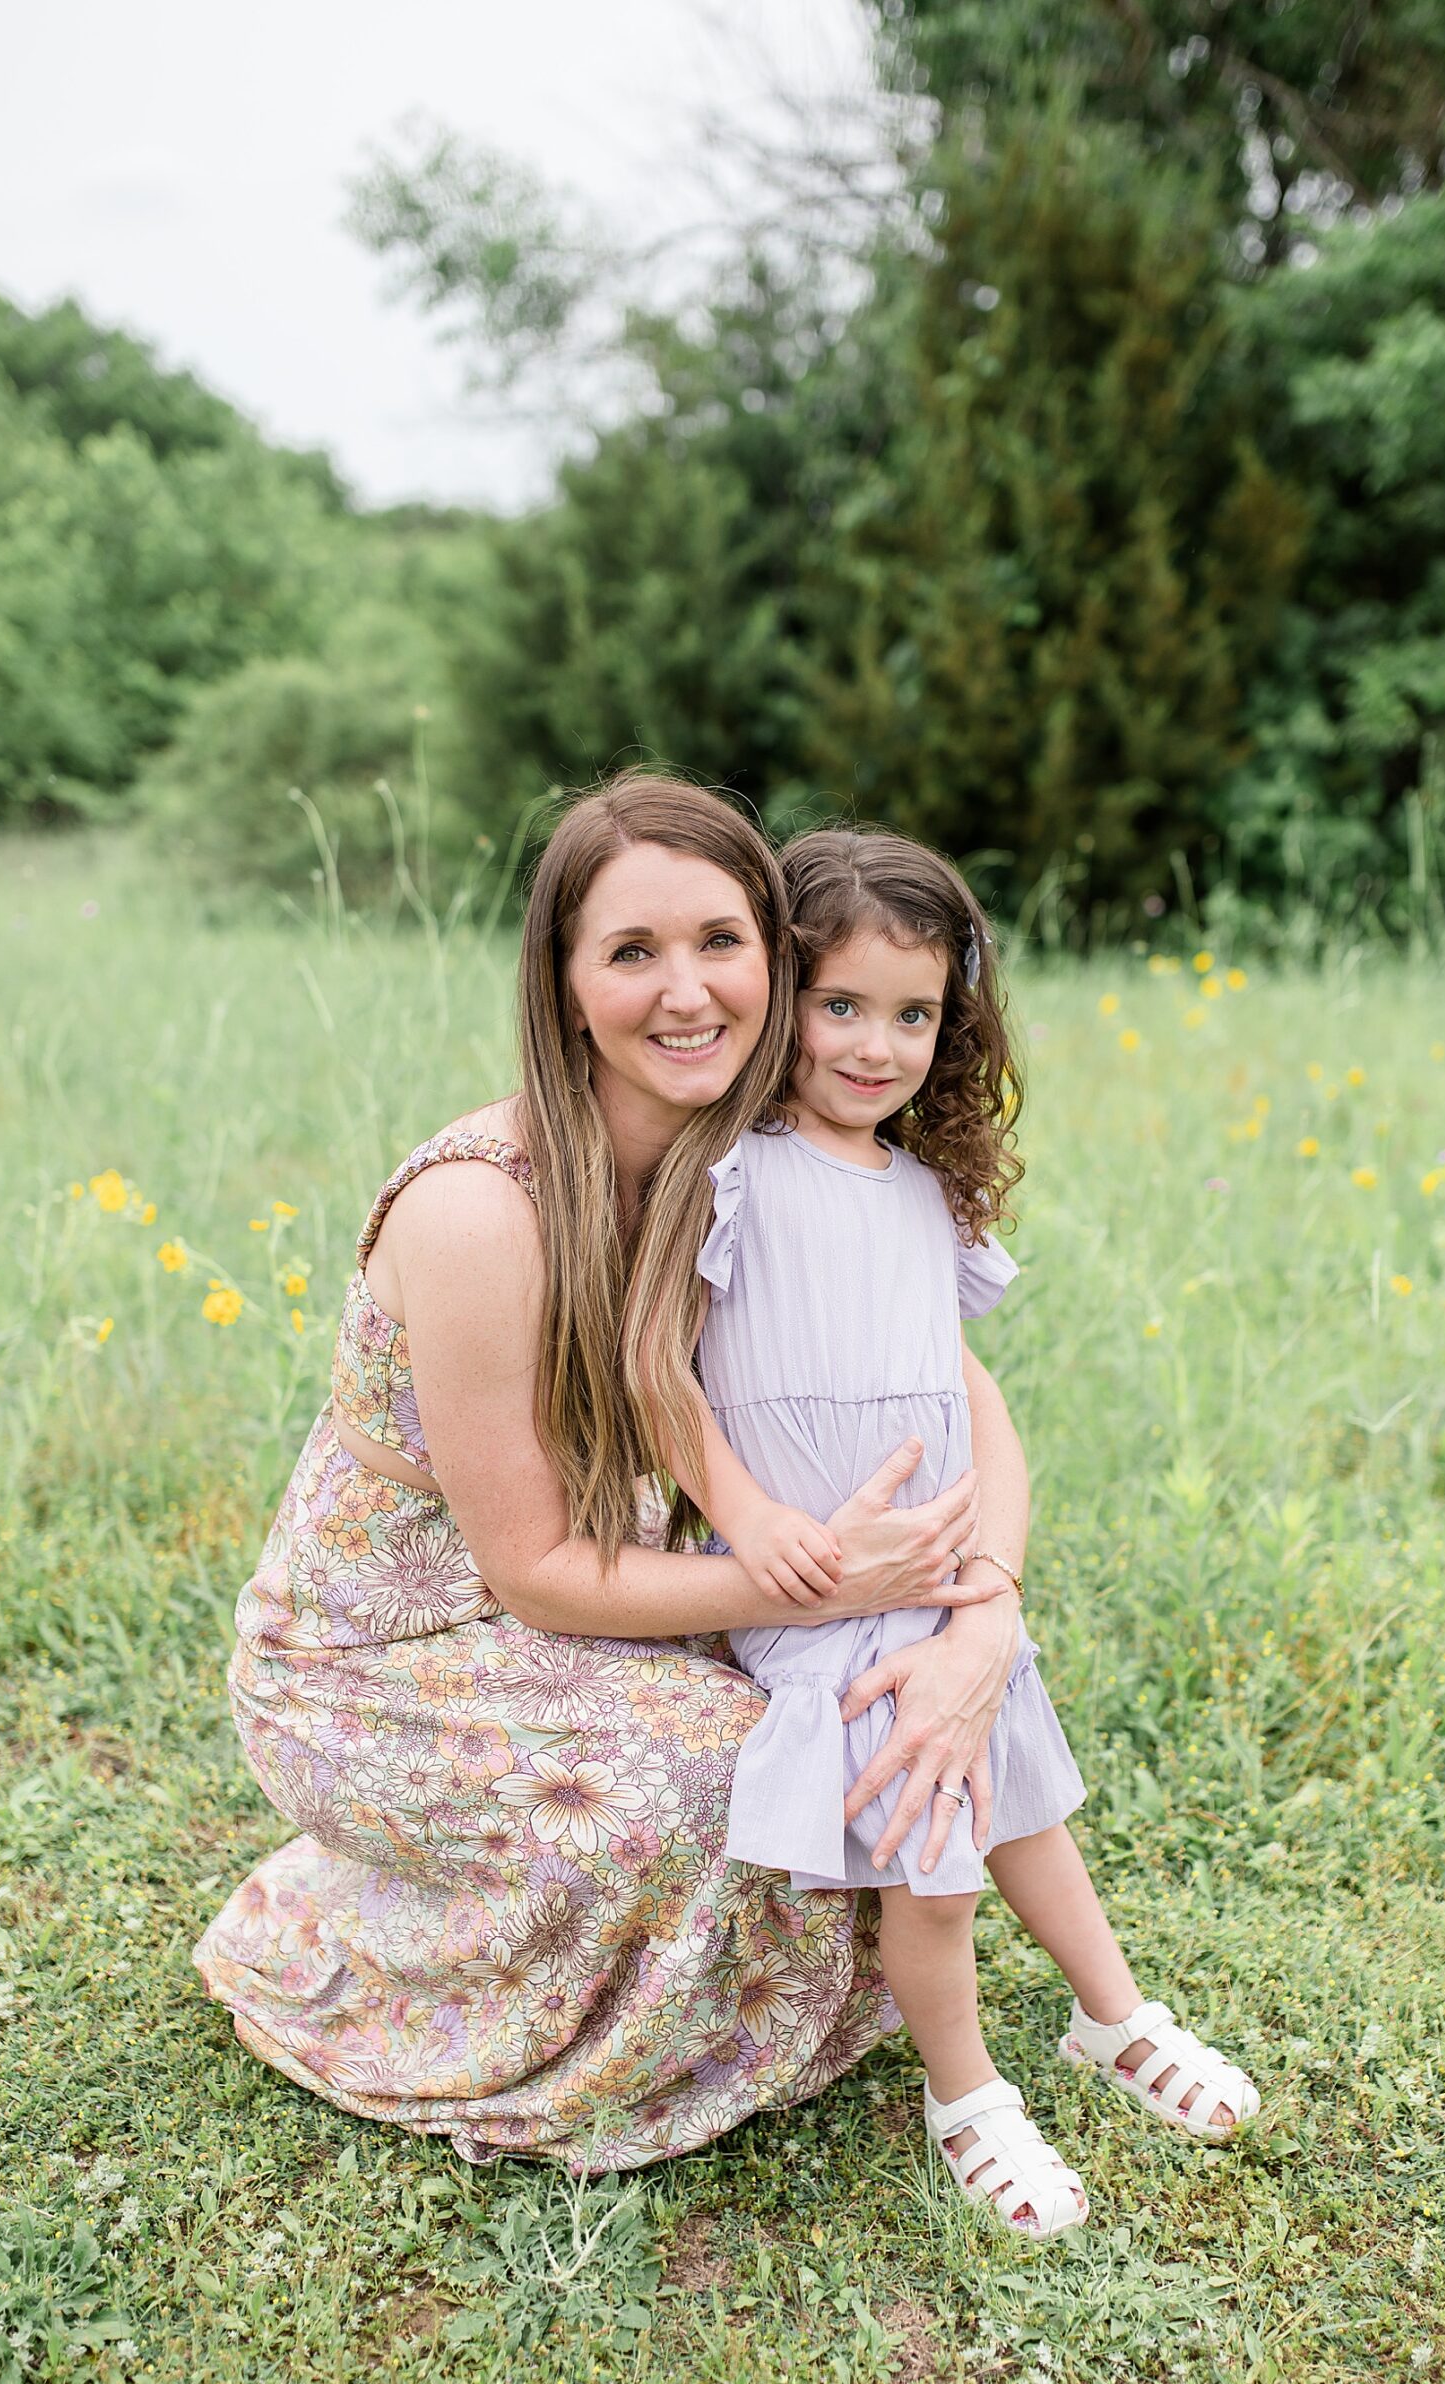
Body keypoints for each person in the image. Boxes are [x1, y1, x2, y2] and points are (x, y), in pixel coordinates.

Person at [194, 777, 1024, 2169]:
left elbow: (964, 1386)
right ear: (565, 985)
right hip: (384, 1653)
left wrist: (982, 1610)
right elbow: (533, 1571)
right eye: (632, 952)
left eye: (720, 940)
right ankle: (344, 1937)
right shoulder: (483, 1209)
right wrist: (813, 1589)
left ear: (778, 956)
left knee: (853, 1731)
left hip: (614, 1603)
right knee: (719, 1778)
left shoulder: (746, 1162)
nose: (687, 991)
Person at [654, 829, 1260, 2235]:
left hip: (934, 1571)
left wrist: (985, 1575)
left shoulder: (925, 1197)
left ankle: (1112, 2014)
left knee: (1028, 1811)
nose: (876, 1044)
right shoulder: (730, 1174)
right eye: (842, 1004)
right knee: (936, 1869)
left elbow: (968, 1394)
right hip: (814, 1578)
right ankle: (967, 2092)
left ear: (954, 1022)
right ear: (779, 999)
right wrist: (744, 1519)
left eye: (914, 1014)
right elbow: (658, 1374)